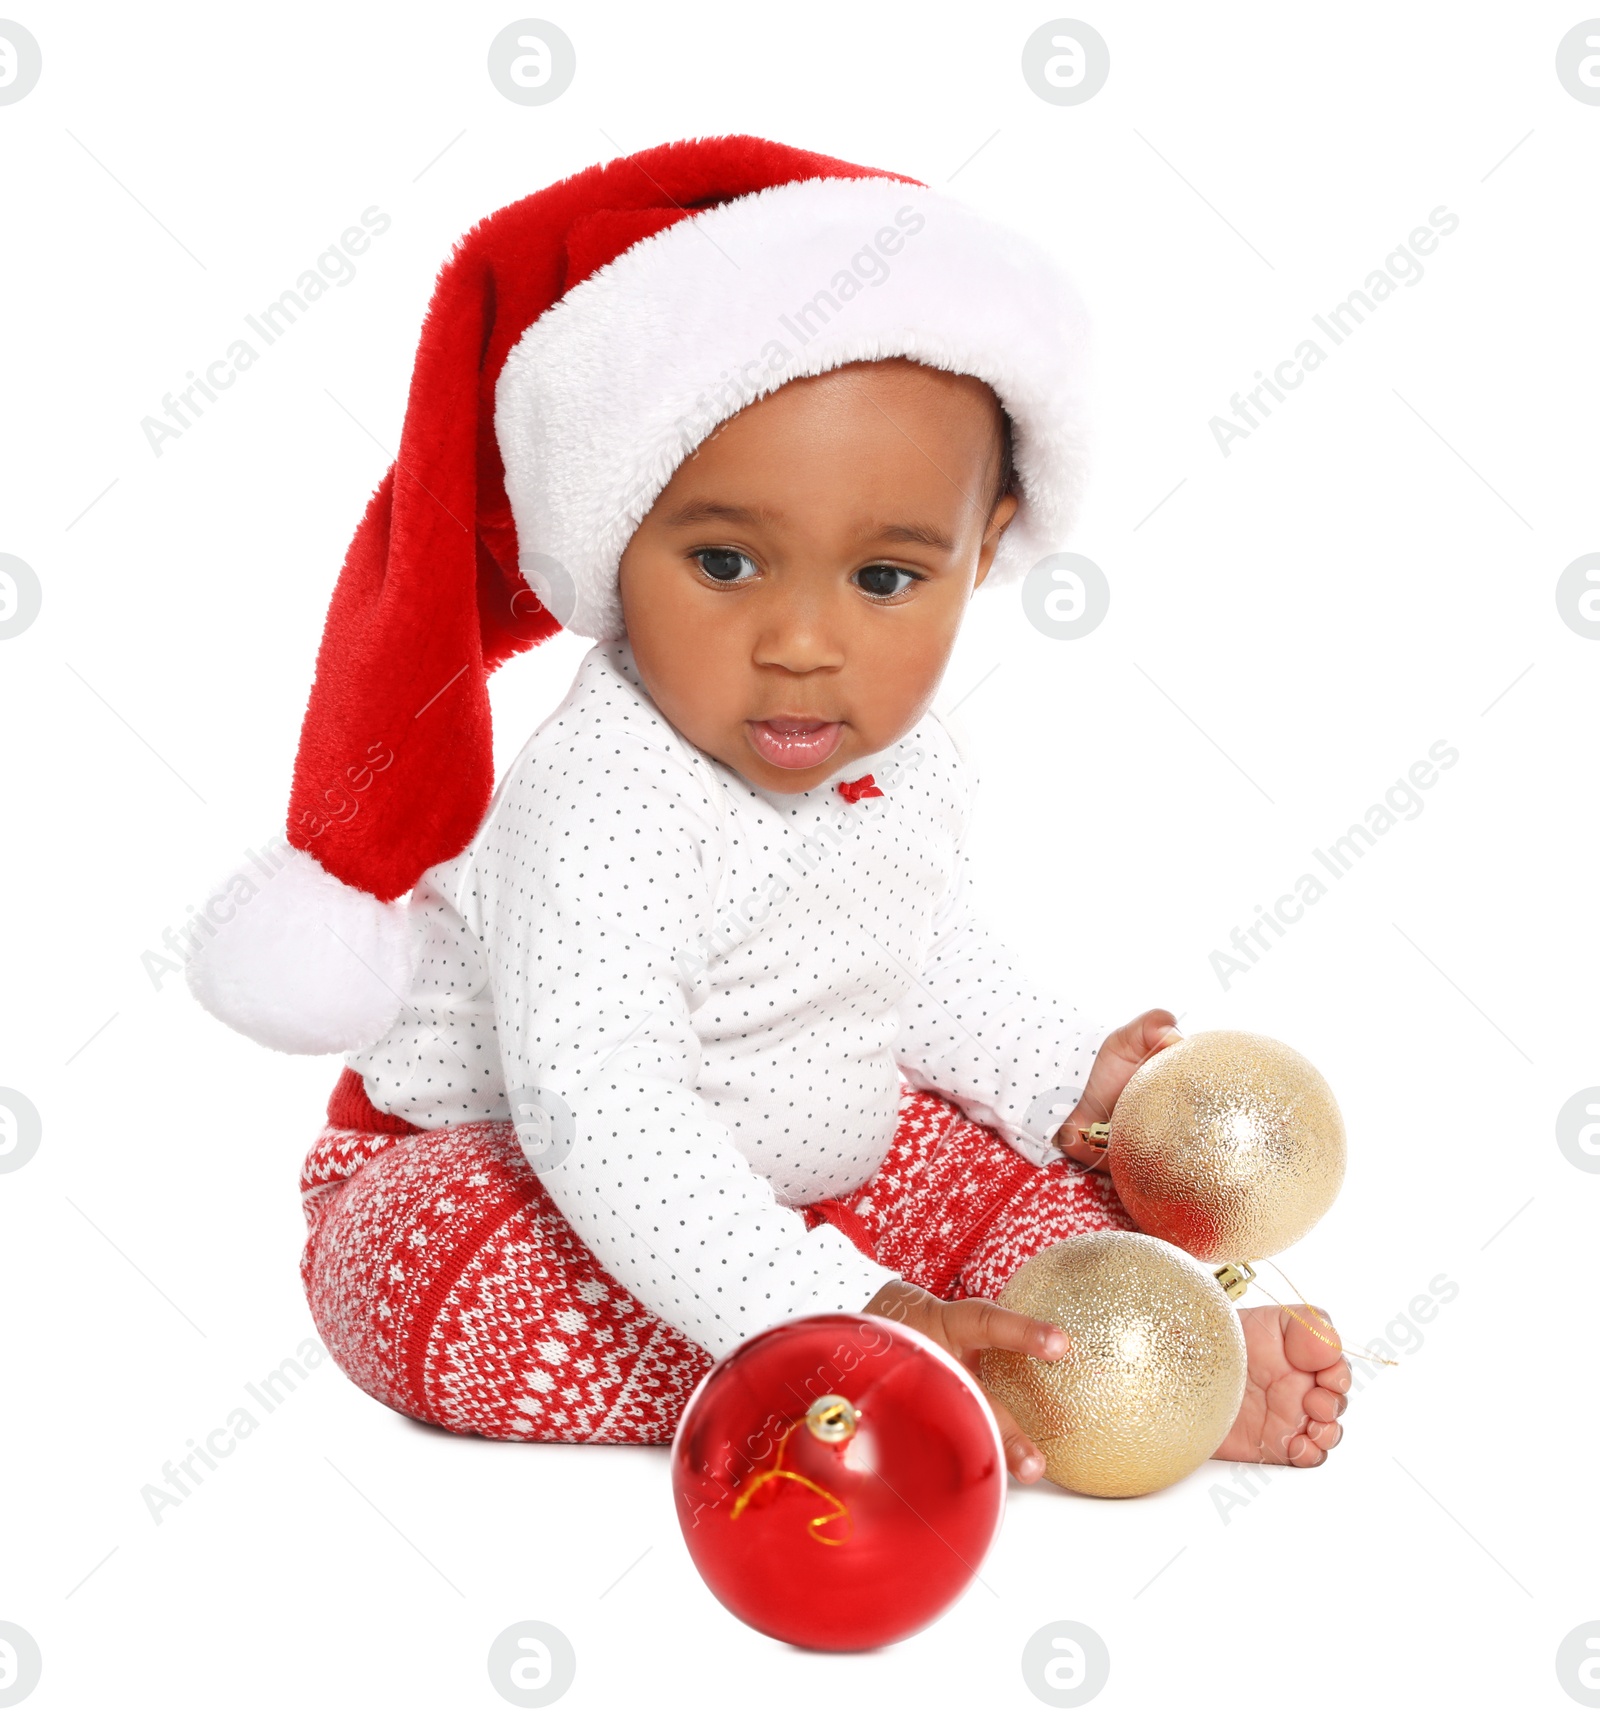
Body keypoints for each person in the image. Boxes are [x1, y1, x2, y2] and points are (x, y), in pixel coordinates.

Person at [190, 136, 1350, 1483]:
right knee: (462, 1278)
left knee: (1005, 1174)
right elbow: (602, 1110)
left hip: (791, 1161)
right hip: (499, 1165)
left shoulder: (906, 765)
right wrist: (846, 1306)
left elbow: (913, 963)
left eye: (886, 579)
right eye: (726, 562)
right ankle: (882, 1367)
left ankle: (1135, 1366)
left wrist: (1075, 1082)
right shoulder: (607, 796)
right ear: (616, 535)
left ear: (983, 550)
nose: (803, 640)